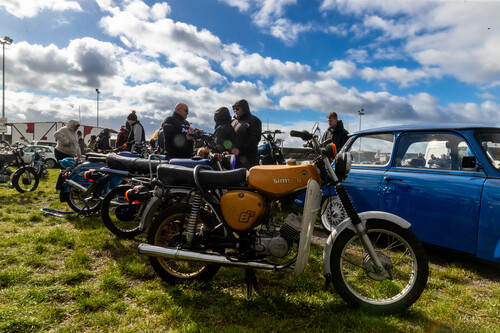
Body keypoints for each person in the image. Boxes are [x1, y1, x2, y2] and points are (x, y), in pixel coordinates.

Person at [231, 99, 262, 169]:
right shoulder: (232, 122)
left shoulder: (254, 120)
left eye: (237, 108)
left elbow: (255, 138)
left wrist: (241, 150)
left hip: (247, 158)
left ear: (244, 108)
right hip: (234, 158)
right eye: (233, 109)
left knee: (246, 177)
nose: (235, 110)